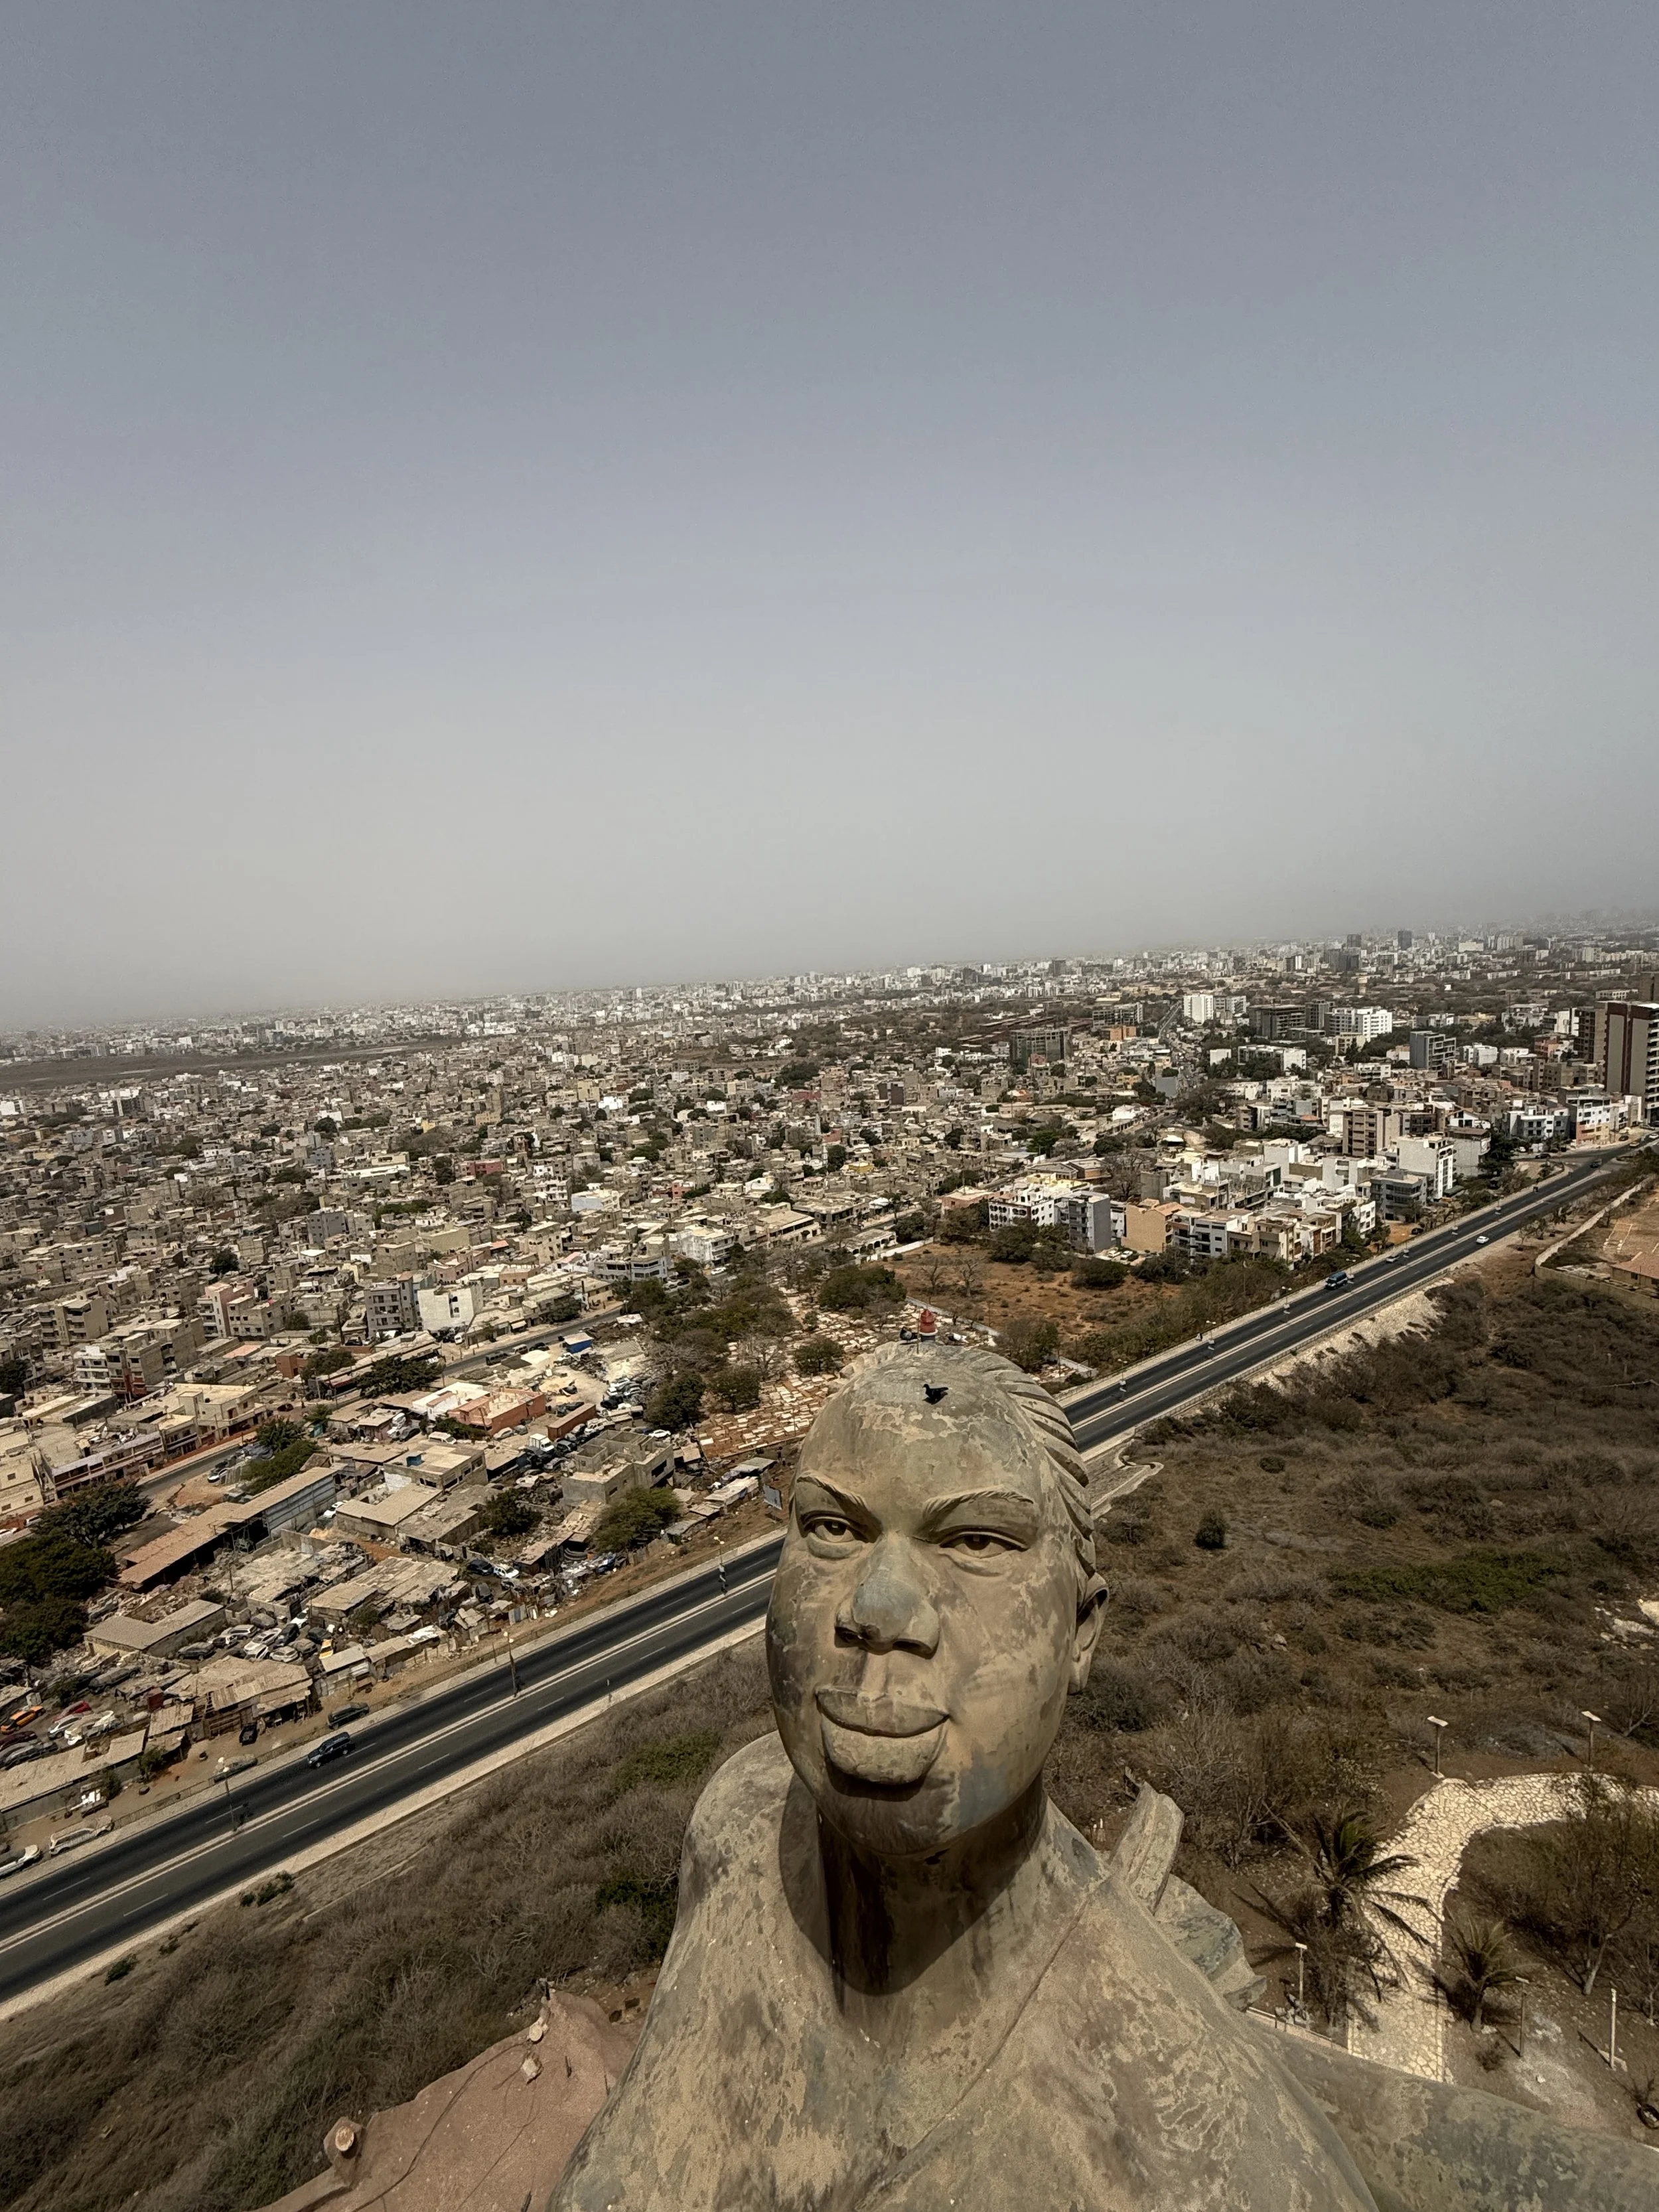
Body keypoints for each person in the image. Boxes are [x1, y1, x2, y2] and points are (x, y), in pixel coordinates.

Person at [551, 1344, 1376, 2211]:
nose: (875, 1611)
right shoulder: (743, 1818)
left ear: (1081, 1631)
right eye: (832, 1528)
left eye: (976, 1541)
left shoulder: (1200, 2165)